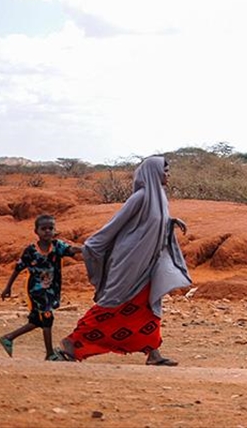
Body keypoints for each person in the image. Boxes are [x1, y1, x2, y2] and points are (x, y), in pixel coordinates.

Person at [54, 156, 190, 365]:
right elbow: (115, 225)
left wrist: (171, 222)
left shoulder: (160, 197)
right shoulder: (141, 197)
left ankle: (153, 353)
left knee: (148, 304)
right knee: (113, 302)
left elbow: (151, 223)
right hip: (129, 261)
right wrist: (90, 247)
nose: (168, 175)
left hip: (148, 263)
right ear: (153, 173)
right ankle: (72, 342)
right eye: (165, 171)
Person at [0, 214, 82, 360]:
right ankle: (50, 354)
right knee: (47, 317)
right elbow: (18, 269)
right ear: (36, 231)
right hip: (36, 290)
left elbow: (71, 250)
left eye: (51, 228)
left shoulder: (57, 246)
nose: (47, 231)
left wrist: (88, 248)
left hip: (51, 290)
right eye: (44, 229)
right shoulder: (30, 251)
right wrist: (8, 287)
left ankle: (9, 337)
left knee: (36, 321)